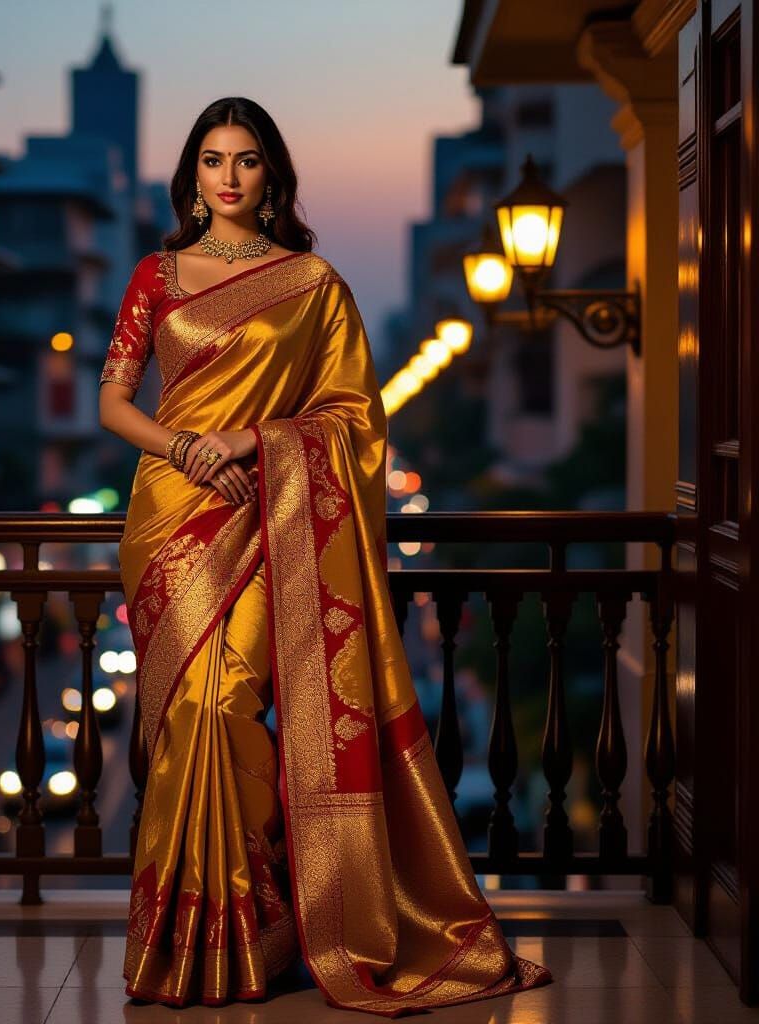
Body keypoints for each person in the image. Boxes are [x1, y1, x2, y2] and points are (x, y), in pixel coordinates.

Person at [98, 96, 551, 1015]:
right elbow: (114, 402)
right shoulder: (155, 275)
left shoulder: (312, 284)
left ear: (272, 177)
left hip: (271, 514)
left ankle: (261, 925)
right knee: (185, 716)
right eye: (213, 160)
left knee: (228, 704)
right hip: (168, 515)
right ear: (192, 176)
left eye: (247, 160)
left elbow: (352, 417)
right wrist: (186, 448)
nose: (228, 176)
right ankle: (189, 938)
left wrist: (251, 444)